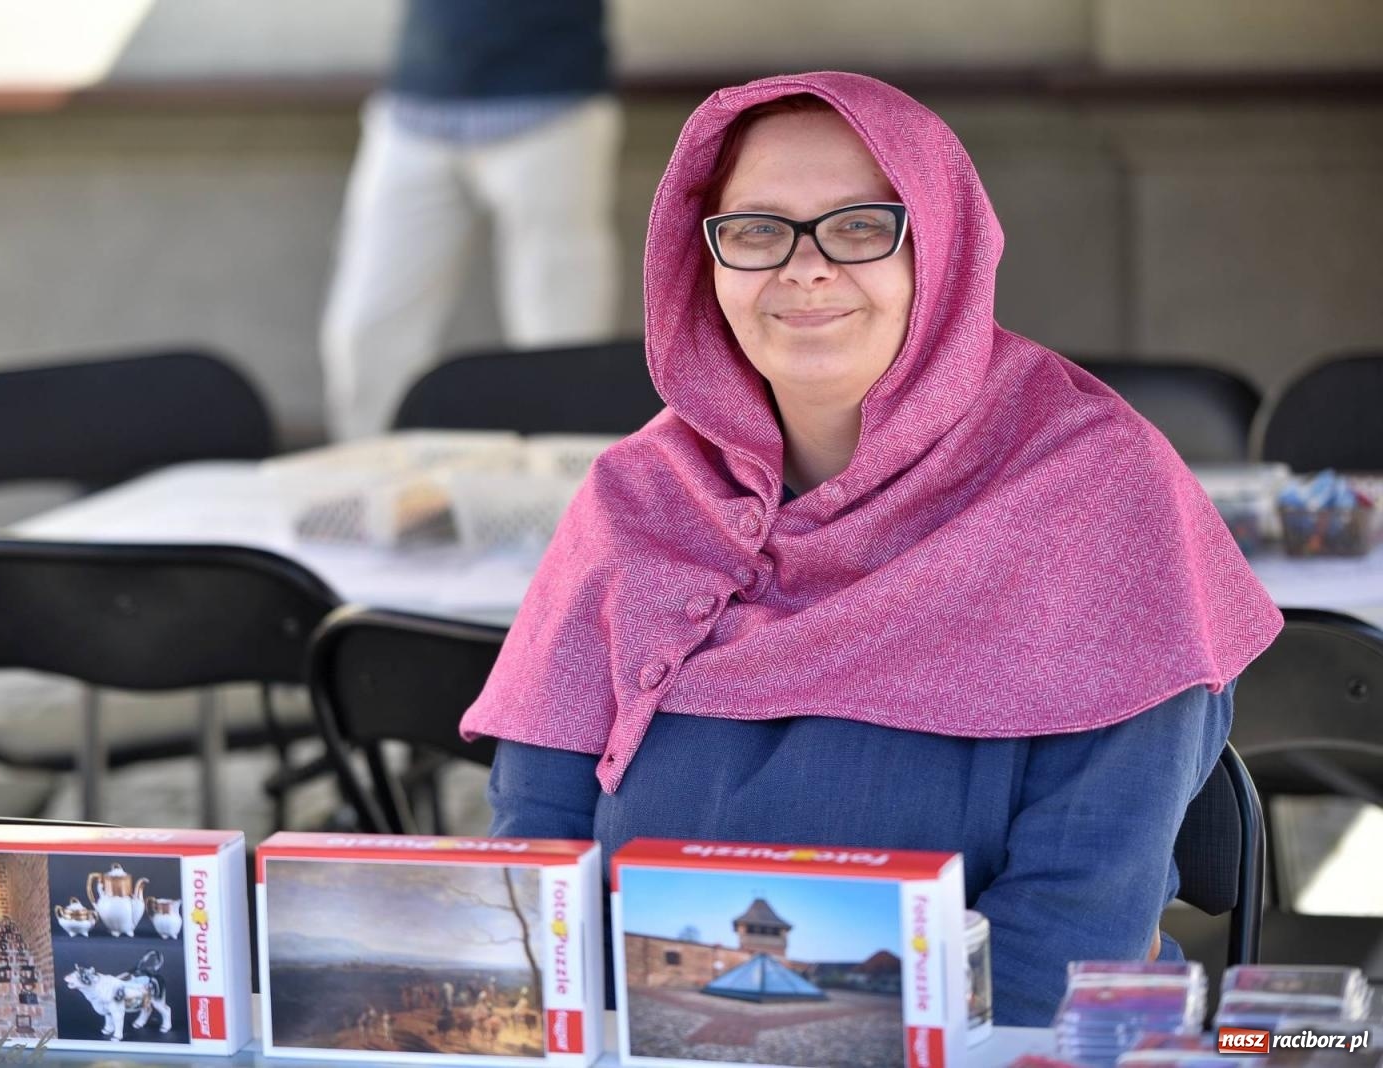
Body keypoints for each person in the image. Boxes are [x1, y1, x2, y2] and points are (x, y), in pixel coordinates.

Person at [460, 71, 1282, 1026]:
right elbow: (538, 858)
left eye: (859, 226)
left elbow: (1072, 924)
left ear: (943, 249)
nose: (804, 270)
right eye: (758, 231)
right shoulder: (635, 497)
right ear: (704, 263)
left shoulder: (1098, 493)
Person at [320, 0, 622, 441]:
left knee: (561, 339)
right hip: (416, 106)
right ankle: (368, 480)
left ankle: (571, 496)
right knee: (366, 330)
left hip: (551, 104)